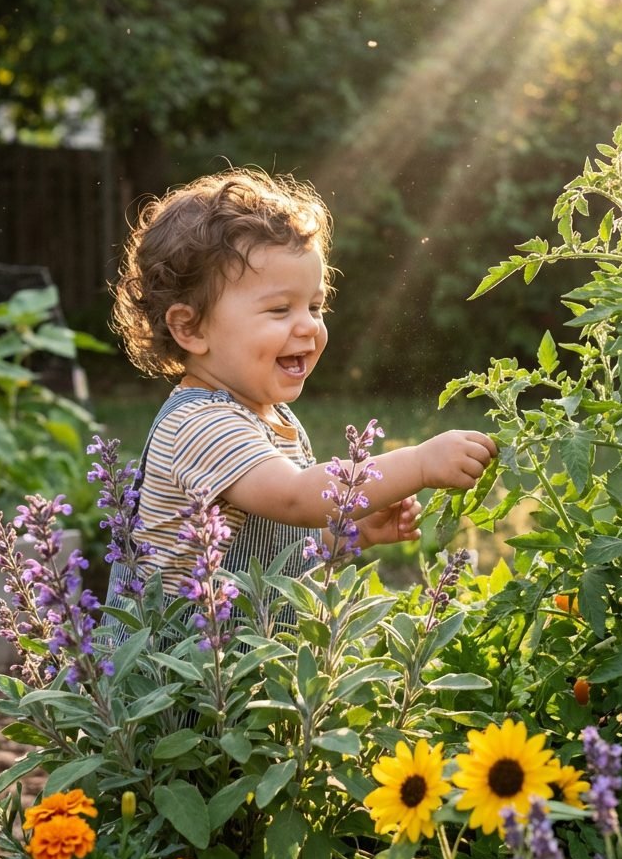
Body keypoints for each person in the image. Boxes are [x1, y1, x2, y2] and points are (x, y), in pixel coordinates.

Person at [108, 167, 496, 609]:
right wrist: (420, 463)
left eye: (315, 305)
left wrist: (355, 532)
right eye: (279, 309)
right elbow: (295, 498)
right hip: (182, 669)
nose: (309, 326)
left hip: (243, 663)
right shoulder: (199, 426)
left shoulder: (267, 415)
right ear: (190, 328)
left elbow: (282, 544)